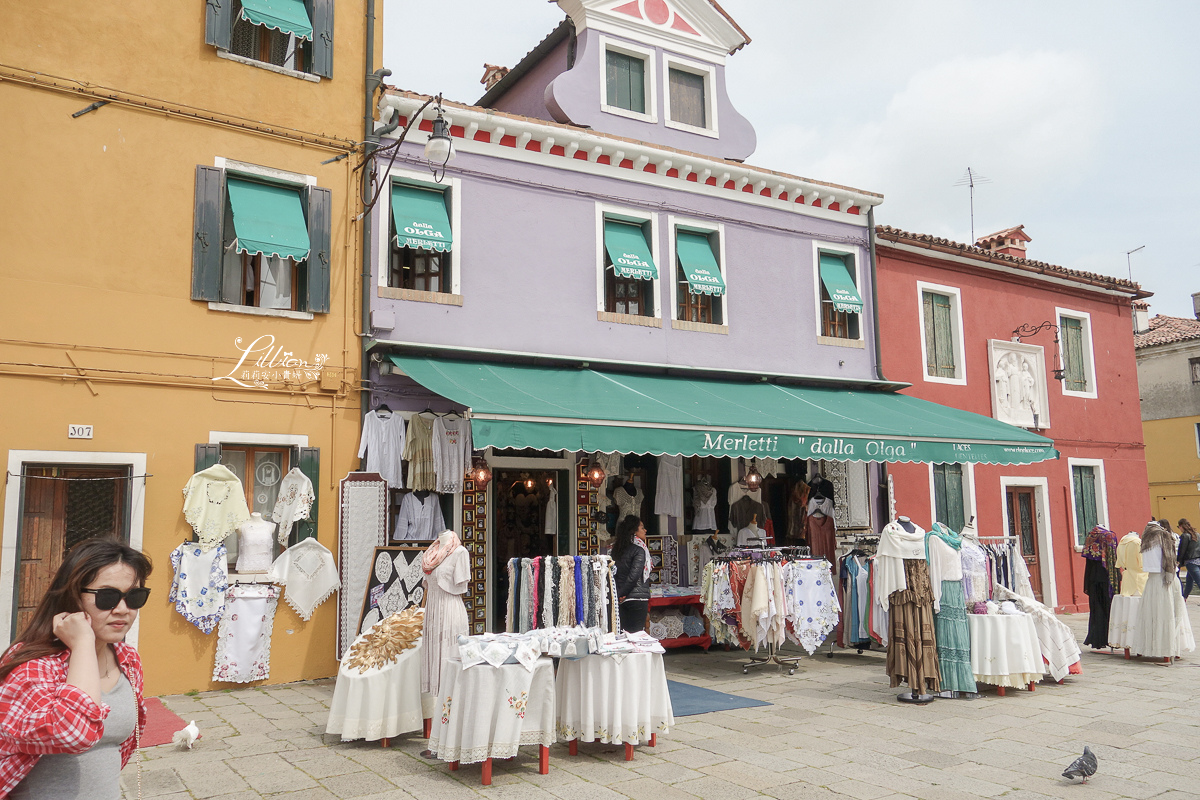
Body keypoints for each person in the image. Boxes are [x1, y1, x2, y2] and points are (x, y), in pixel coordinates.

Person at [0, 538, 152, 798]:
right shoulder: (32, 666)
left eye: (134, 597)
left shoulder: (128, 660)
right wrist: (83, 644)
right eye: (108, 597)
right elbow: (75, 734)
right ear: (73, 596)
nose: (123, 609)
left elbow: (121, 745)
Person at [612, 515, 651, 633]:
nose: (645, 530)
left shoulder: (616, 549)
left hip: (621, 598)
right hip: (636, 598)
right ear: (634, 531)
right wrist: (622, 593)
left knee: (622, 635)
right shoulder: (640, 550)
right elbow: (634, 576)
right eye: (642, 528)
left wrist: (618, 594)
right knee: (635, 636)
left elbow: (615, 574)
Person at [1178, 519, 1200, 600]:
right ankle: (1184, 598)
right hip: (1198, 560)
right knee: (1189, 582)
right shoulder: (1197, 535)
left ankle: (1184, 598)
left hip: (1190, 562)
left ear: (1181, 526)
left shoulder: (1185, 536)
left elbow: (1182, 550)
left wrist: (1179, 561)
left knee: (1198, 581)